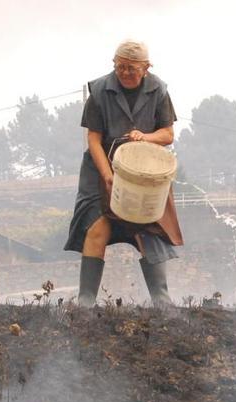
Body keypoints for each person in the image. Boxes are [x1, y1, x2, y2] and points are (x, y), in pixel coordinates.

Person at [64, 40, 183, 306]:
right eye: (120, 67)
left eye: (131, 68)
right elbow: (93, 139)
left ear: (146, 68)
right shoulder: (99, 91)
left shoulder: (159, 91)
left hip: (146, 173)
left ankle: (161, 300)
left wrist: (146, 137)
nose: (125, 73)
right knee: (97, 226)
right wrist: (107, 175)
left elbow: (167, 134)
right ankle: (85, 302)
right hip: (100, 168)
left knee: (148, 229)